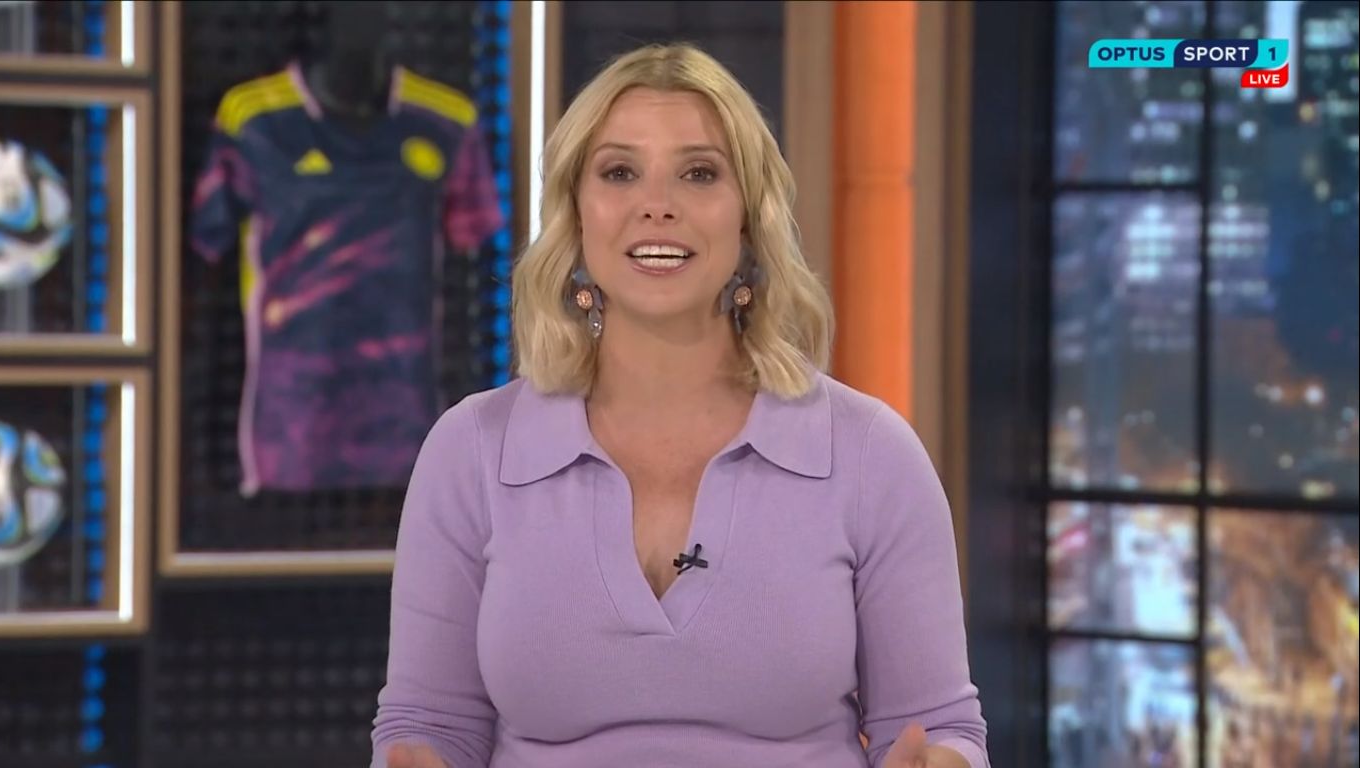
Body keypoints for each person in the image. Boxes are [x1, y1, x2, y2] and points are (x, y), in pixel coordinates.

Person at [369, 42, 990, 768]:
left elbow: (937, 725)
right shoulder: (472, 450)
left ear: (749, 219)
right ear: (574, 214)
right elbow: (429, 725)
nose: (657, 204)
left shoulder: (870, 454)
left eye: (699, 173)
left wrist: (946, 760)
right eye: (619, 172)